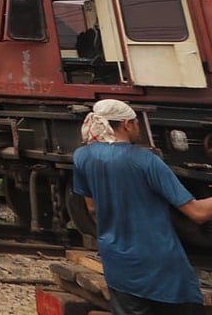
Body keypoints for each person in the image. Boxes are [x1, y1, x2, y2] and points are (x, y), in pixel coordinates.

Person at [72, 98, 212, 314]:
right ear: (126, 124)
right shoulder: (146, 160)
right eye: (136, 122)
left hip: (118, 265)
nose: (138, 127)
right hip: (160, 267)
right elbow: (198, 213)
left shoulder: (82, 156)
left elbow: (92, 209)